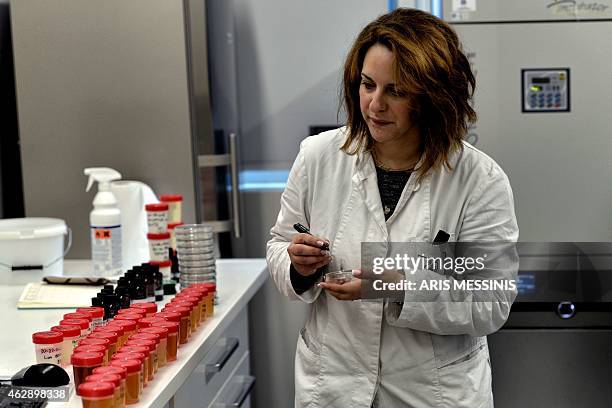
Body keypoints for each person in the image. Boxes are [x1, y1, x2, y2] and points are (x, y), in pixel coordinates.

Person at [266, 8, 518, 408]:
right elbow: (279, 245)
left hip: (432, 393)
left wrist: (392, 284)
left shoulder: (479, 179)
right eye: (368, 85)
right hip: (333, 386)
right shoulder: (317, 157)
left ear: (433, 97)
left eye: (396, 91)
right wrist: (296, 265)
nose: (375, 104)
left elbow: (491, 299)